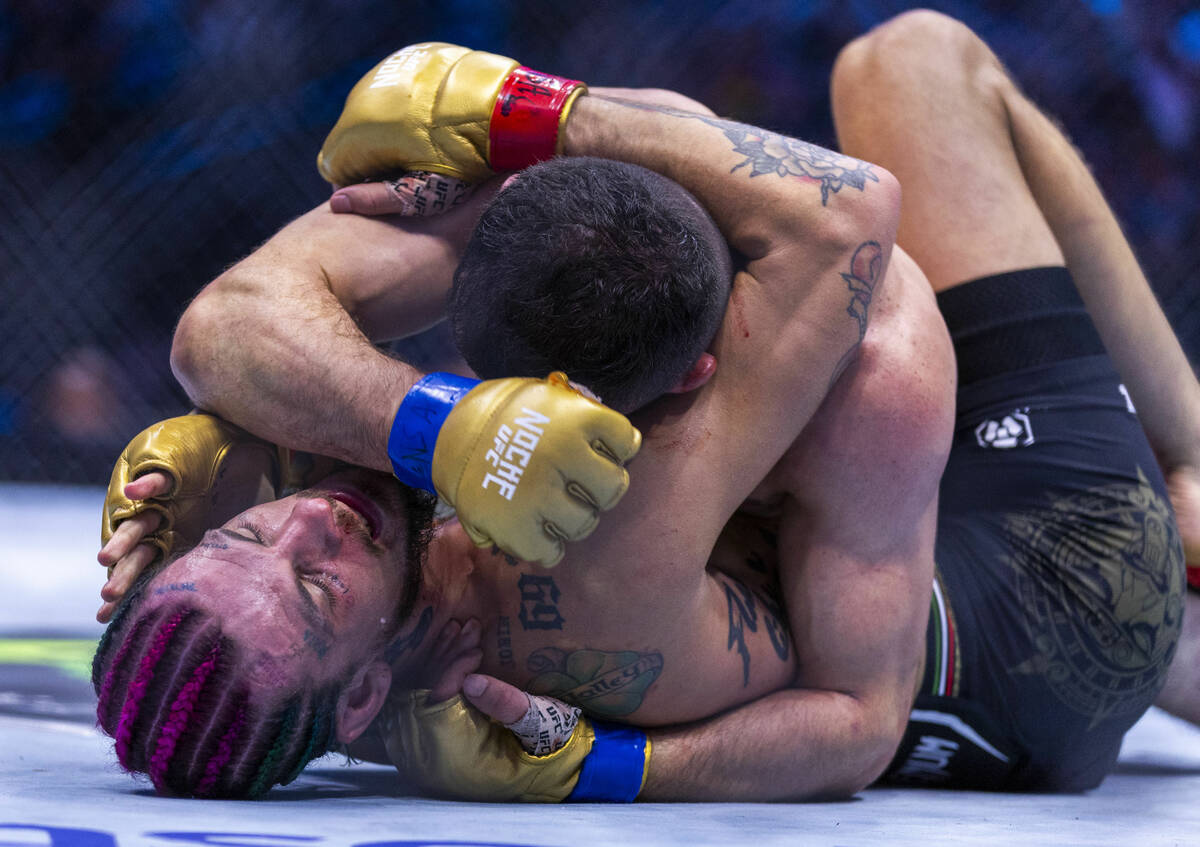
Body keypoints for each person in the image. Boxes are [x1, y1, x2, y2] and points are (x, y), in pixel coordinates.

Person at [96, 10, 1193, 800]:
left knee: (586, 188)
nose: (312, 523)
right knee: (908, 61)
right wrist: (531, 110)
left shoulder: (364, 584)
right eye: (311, 585)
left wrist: (249, 455)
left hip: (914, 545)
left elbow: (223, 331)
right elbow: (840, 210)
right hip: (1039, 585)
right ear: (696, 377)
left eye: (252, 530)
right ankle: (1190, 451)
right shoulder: (586, 557)